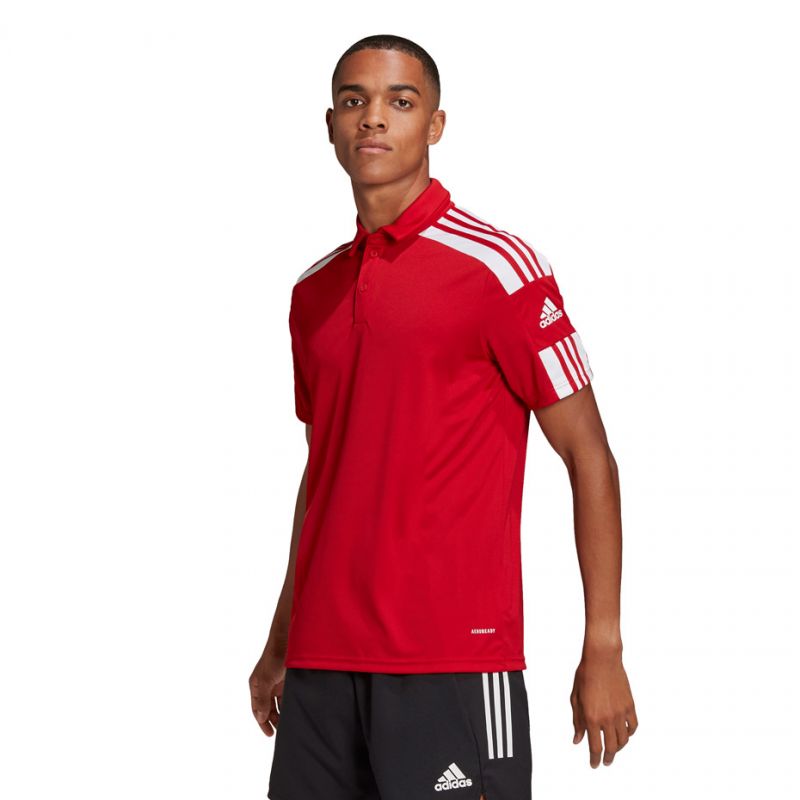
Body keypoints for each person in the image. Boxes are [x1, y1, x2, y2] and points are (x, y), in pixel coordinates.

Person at [250, 34, 638, 800]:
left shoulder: (500, 269)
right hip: (323, 667)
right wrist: (283, 637)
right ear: (330, 125)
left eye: (400, 101)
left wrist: (604, 645)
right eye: (355, 101)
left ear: (435, 125)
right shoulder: (312, 293)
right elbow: (325, 477)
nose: (373, 118)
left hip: (452, 662)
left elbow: (589, 456)